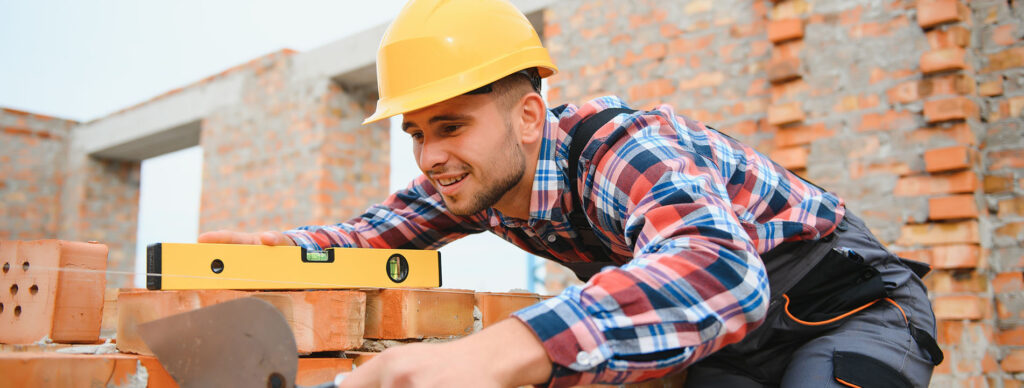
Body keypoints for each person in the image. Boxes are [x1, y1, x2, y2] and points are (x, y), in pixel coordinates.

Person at [199, 0, 942, 386]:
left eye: (450, 126)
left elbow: (720, 271)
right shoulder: (474, 180)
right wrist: (273, 254)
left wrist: (504, 352)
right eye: (416, 133)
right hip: (731, 342)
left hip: (847, 308)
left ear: (529, 116)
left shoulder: (619, 147)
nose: (430, 156)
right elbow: (365, 238)